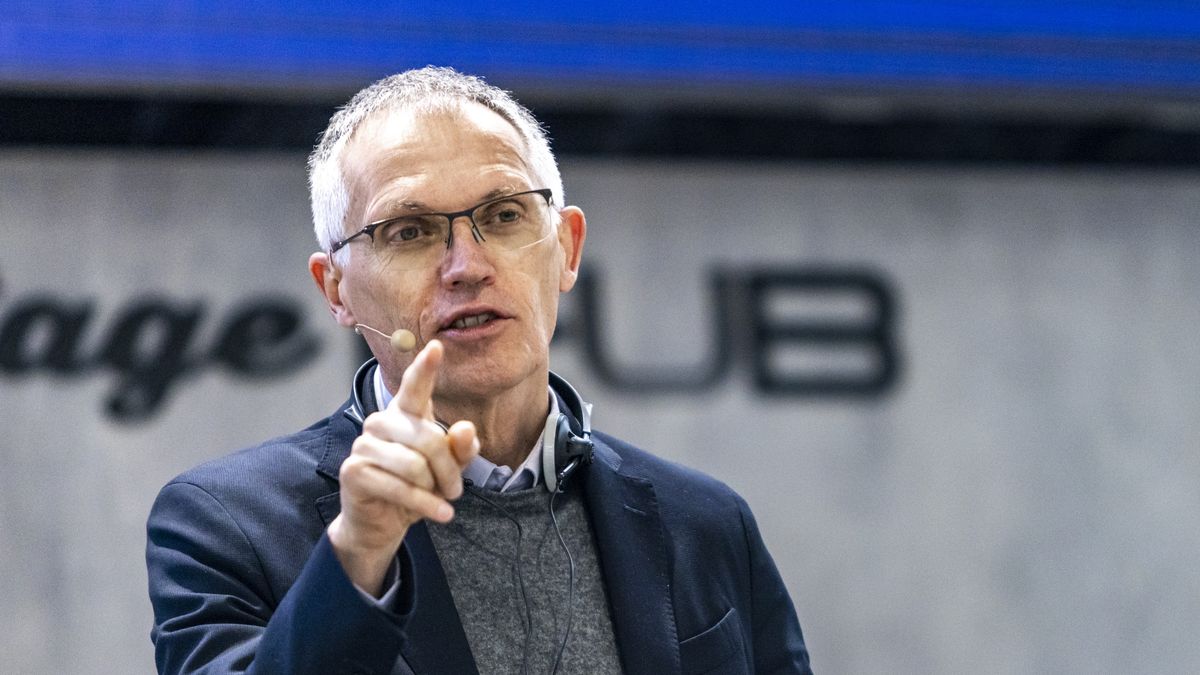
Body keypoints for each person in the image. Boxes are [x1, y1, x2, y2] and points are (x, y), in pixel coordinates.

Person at [146, 66, 813, 675]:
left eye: (503, 215)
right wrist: (358, 551)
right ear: (337, 290)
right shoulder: (225, 523)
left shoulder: (704, 520)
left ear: (567, 248)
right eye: (409, 230)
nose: (467, 264)